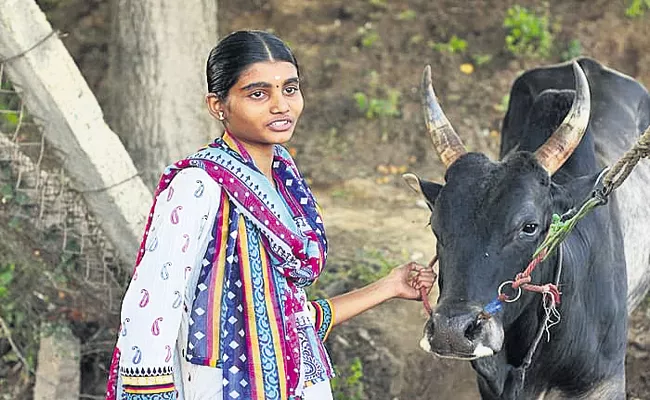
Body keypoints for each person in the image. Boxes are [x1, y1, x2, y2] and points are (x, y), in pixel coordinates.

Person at [105, 30, 435, 400]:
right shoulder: (198, 186)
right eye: (258, 94)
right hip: (220, 387)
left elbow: (294, 322)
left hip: (301, 384)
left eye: (290, 89)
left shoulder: (286, 185)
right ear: (218, 105)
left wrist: (389, 286)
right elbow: (151, 313)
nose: (281, 105)